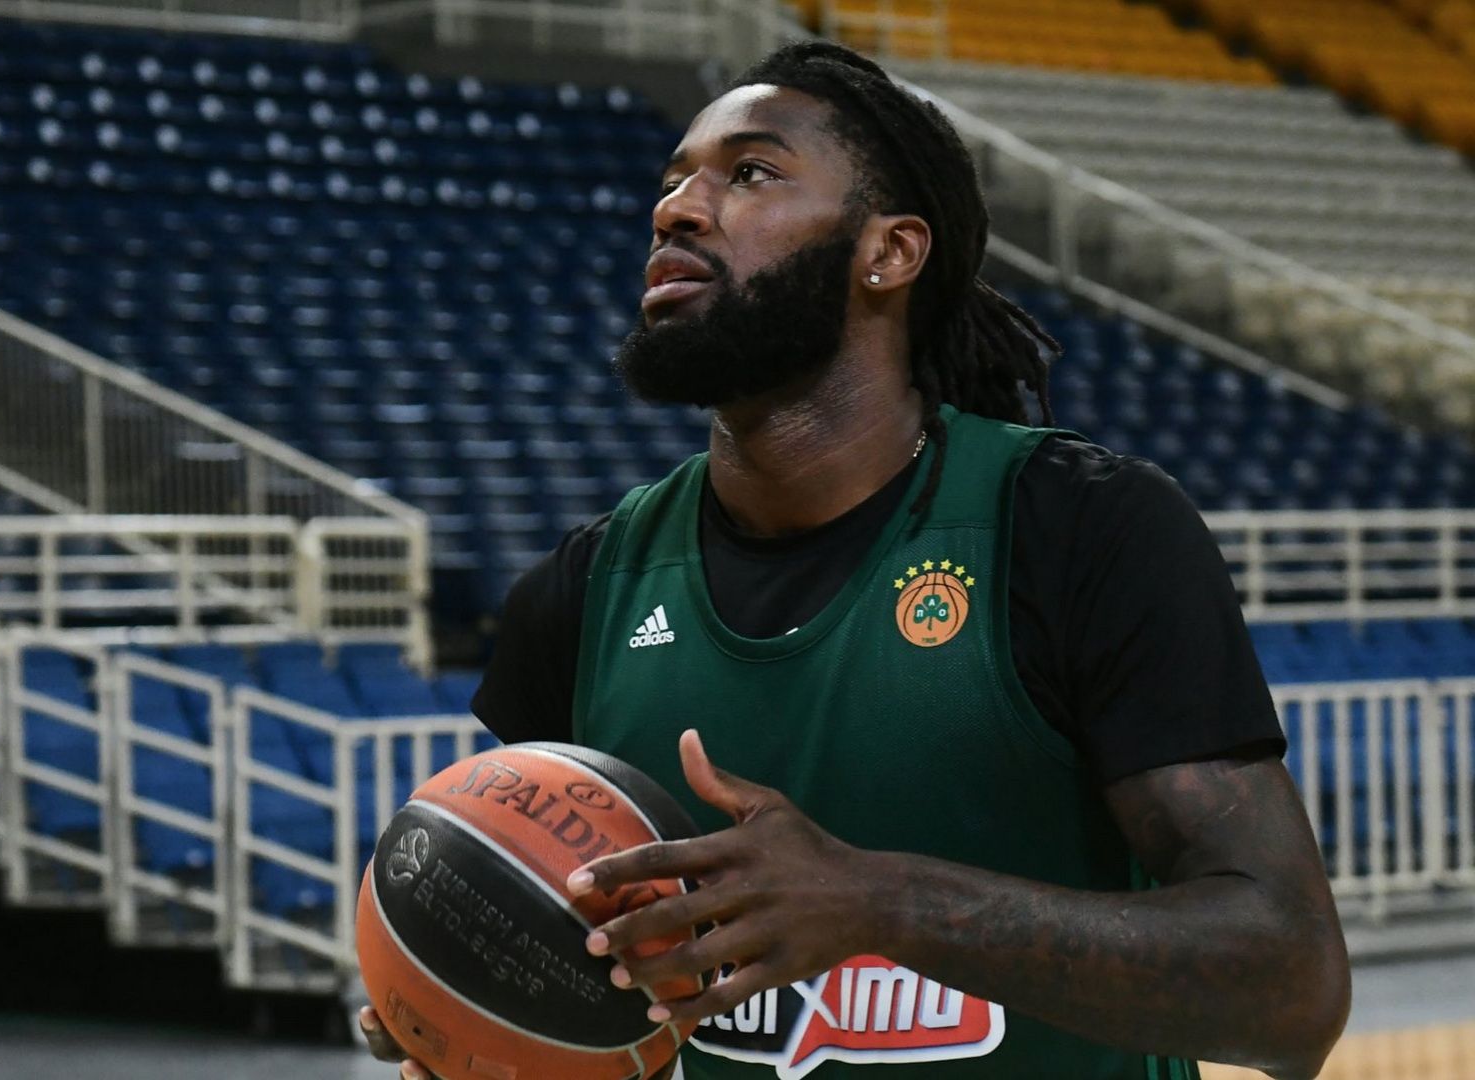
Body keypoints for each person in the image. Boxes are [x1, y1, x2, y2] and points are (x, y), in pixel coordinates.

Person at [361, 39, 1348, 1080]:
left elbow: (1291, 994)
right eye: (673, 179)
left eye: (750, 172)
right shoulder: (586, 591)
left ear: (890, 252)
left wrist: (879, 902)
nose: (677, 209)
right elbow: (572, 964)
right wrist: (467, 1013)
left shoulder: (1080, 529)